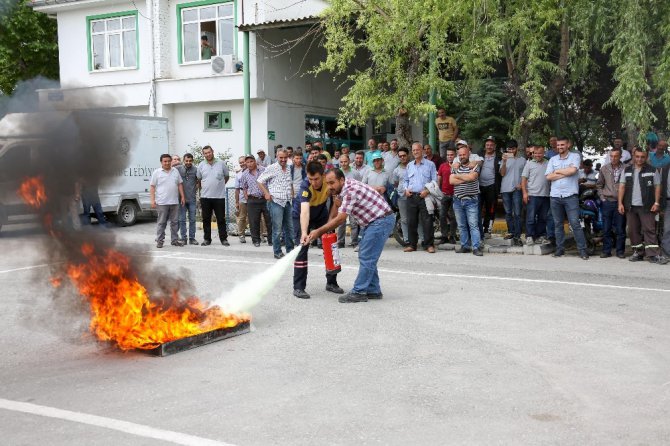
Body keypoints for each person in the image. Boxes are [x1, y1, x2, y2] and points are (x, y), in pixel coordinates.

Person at [306, 169, 395, 303]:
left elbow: (341, 218)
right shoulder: (344, 187)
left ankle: (359, 291)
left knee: (366, 255)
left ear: (341, 180)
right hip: (373, 221)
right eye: (327, 183)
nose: (330, 187)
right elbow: (336, 208)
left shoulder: (349, 190)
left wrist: (319, 231)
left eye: (332, 183)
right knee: (368, 255)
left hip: (380, 221)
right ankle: (373, 289)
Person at [292, 161, 344, 299]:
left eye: (316, 179)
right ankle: (298, 287)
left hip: (321, 213)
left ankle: (332, 283)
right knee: (302, 247)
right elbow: (304, 212)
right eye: (310, 179)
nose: (313, 182)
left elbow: (335, 203)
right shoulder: (305, 186)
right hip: (302, 216)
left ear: (323, 175)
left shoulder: (329, 181)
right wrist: (304, 232)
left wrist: (329, 225)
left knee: (330, 244)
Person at [618, 148, 666, 264]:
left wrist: (656, 203)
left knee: (649, 229)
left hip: (647, 205)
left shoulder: (652, 170)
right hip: (630, 205)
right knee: (632, 230)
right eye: (637, 156)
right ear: (634, 156)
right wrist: (620, 203)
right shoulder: (627, 170)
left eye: (642, 157)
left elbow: (657, 186)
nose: (639, 159)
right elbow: (622, 187)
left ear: (646, 157)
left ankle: (653, 255)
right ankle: (638, 252)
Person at [545, 136, 589, 259]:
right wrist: (565, 172)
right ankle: (560, 249)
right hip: (555, 196)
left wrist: (558, 171)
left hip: (570, 196)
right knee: (558, 224)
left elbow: (573, 171)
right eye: (558, 145)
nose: (560, 147)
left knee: (575, 223)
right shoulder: (552, 159)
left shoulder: (575, 156)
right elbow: (548, 177)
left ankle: (582, 250)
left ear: (568, 145)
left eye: (562, 145)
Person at [257, 149, 295, 259]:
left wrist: (292, 193)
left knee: (290, 228)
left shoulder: (288, 167)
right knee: (277, 229)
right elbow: (259, 180)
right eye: (281, 158)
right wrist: (266, 194)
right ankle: (277, 252)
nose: (283, 160)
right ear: (277, 157)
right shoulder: (271, 168)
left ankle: (290, 251)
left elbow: (289, 182)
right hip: (276, 201)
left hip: (287, 201)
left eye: (285, 158)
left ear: (287, 157)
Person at [403, 142, 437, 253]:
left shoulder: (430, 164)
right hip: (411, 196)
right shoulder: (409, 165)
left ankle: (429, 245)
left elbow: (435, 181)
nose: (415, 152)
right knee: (411, 221)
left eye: (417, 150)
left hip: (425, 197)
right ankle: (412, 245)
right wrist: (406, 189)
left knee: (427, 221)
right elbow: (406, 181)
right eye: (413, 150)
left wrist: (427, 191)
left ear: (422, 150)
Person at [450, 145, 483, 256]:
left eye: (464, 154)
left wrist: (458, 176)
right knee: (462, 226)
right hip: (458, 201)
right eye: (460, 155)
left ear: (469, 154)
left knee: (473, 225)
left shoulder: (475, 166)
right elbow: (451, 181)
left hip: (471, 201)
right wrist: (465, 177)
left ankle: (476, 247)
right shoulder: (454, 166)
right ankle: (465, 246)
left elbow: (472, 178)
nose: (462, 156)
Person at [196, 145, 230, 246]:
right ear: (203, 154)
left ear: (212, 152)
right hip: (205, 197)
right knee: (206, 219)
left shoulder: (221, 163)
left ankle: (223, 239)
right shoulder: (201, 165)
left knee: (221, 219)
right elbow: (198, 179)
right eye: (205, 153)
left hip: (219, 197)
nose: (207, 154)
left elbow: (226, 176)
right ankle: (207, 239)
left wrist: (219, 185)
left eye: (209, 152)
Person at [150, 153, 185, 248]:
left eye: (169, 161)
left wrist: (182, 197)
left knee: (175, 222)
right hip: (162, 202)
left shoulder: (175, 171)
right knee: (161, 223)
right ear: (161, 162)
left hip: (174, 202)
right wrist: (152, 200)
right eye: (165, 161)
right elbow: (152, 186)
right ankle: (160, 241)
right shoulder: (157, 172)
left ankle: (174, 240)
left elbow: (180, 184)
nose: (167, 163)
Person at [596, 147, 626, 258]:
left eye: (616, 156)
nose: (613, 158)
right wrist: (602, 198)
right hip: (607, 202)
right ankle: (606, 250)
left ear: (620, 157)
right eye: (611, 156)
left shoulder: (626, 168)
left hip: (621, 202)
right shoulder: (604, 168)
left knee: (620, 228)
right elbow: (599, 185)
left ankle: (620, 251)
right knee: (606, 228)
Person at [521, 146, 550, 245]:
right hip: (532, 195)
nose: (538, 155)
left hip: (546, 195)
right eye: (536, 153)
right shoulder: (529, 164)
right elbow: (524, 179)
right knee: (531, 217)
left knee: (543, 218)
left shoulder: (548, 163)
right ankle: (529, 236)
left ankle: (540, 236)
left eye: (540, 153)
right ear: (533, 153)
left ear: (543, 153)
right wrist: (525, 193)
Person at [239, 155, 271, 247]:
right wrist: (247, 197)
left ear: (255, 161)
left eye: (251, 161)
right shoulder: (244, 174)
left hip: (265, 199)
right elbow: (244, 187)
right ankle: (256, 240)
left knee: (269, 220)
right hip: (252, 200)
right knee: (254, 221)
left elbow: (269, 182)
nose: (249, 164)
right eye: (247, 162)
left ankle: (271, 240)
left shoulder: (264, 170)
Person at [500, 139, 526, 246]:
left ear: (516, 149)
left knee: (518, 213)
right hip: (505, 189)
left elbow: (526, 175)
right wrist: (504, 162)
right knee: (508, 212)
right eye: (509, 149)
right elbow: (502, 173)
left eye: (513, 148)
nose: (511, 151)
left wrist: (522, 185)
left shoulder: (523, 160)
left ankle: (517, 235)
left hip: (517, 189)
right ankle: (511, 231)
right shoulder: (504, 159)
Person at [478, 136, 501, 238]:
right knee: (477, 208)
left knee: (490, 209)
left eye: (491, 145)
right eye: (487, 145)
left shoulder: (499, 157)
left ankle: (487, 229)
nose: (489, 147)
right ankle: (478, 229)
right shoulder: (479, 156)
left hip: (492, 186)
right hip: (479, 186)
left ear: (495, 146)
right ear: (484, 146)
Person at [336, 153, 361, 248]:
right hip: (341, 199)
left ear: (349, 161)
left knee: (354, 222)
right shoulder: (337, 172)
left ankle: (354, 241)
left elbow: (359, 185)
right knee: (340, 221)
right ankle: (340, 242)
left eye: (345, 161)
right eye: (341, 162)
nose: (343, 163)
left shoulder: (355, 173)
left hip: (353, 200)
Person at [176, 153, 199, 245]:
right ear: (183, 160)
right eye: (186, 161)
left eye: (190, 161)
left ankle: (192, 238)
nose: (188, 162)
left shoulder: (196, 170)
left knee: (192, 220)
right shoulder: (177, 169)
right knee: (182, 220)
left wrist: (195, 189)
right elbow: (167, 166)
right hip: (181, 200)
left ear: (192, 161)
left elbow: (199, 181)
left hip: (192, 199)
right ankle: (183, 238)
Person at [437, 148, 458, 244]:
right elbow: (439, 179)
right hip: (445, 194)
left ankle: (453, 235)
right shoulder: (442, 166)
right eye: (448, 155)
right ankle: (444, 235)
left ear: (455, 155)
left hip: (455, 194)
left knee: (453, 216)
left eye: (452, 155)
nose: (450, 156)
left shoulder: (458, 166)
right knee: (442, 216)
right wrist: (438, 191)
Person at [392, 147, 411, 245]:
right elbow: (395, 183)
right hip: (402, 197)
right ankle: (406, 240)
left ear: (408, 155)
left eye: (404, 155)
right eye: (400, 156)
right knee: (404, 219)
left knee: (418, 218)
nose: (402, 158)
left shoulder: (413, 166)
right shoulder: (396, 170)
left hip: (413, 196)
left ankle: (422, 239)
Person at [234, 156, 249, 244]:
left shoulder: (253, 172)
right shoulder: (238, 175)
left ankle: (260, 235)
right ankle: (241, 235)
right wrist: (236, 202)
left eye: (243, 162)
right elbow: (237, 189)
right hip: (242, 199)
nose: (242, 164)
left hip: (252, 198)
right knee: (241, 218)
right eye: (240, 163)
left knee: (255, 217)